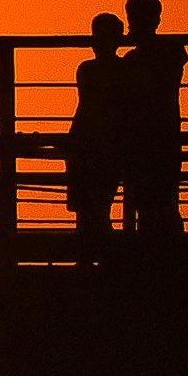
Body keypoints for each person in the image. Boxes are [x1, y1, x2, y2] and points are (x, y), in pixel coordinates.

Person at [118, 0, 188, 236]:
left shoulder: (145, 57)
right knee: (162, 200)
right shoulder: (168, 51)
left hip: (147, 135)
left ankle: (152, 245)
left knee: (153, 201)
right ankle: (168, 244)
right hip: (161, 133)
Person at [65, 13, 131, 238]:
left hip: (90, 137)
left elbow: (87, 106)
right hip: (106, 139)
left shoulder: (88, 69)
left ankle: (90, 241)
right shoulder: (123, 69)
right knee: (100, 200)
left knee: (89, 202)